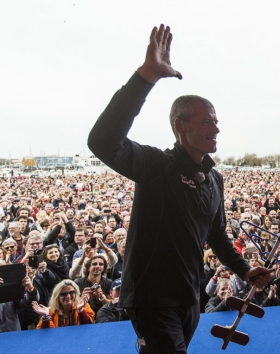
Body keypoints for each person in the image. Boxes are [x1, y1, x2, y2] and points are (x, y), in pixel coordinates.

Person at [87, 24, 270, 353]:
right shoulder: (157, 166)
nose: (216, 128)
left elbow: (216, 235)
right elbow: (102, 141)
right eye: (207, 121)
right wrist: (145, 77)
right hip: (151, 298)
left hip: (190, 296)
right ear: (180, 127)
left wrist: (244, 268)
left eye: (215, 121)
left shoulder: (214, 179)